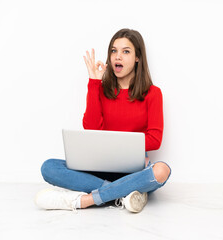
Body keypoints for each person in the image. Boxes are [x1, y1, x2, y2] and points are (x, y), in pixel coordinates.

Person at [35, 28, 171, 213]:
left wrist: (124, 146)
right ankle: (124, 193)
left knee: (162, 170)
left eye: (126, 51)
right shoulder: (99, 89)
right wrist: (94, 81)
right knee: (48, 167)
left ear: (138, 57)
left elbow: (155, 140)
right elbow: (91, 128)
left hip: (133, 171)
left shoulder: (153, 93)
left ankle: (86, 200)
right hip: (98, 167)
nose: (117, 56)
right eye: (114, 51)